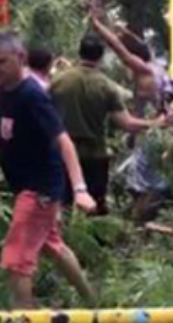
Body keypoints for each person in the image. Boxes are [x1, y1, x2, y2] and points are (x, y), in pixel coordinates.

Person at [0, 31, 99, 308]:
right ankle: (93, 301)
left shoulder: (32, 95)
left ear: (21, 58)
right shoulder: (2, 92)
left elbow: (63, 141)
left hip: (40, 189)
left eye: (2, 62)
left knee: (16, 260)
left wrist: (80, 190)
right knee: (52, 244)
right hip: (27, 184)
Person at [48, 33, 164, 216]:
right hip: (94, 155)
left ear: (80, 53)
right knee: (94, 208)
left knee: (61, 204)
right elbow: (127, 124)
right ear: (101, 57)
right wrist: (155, 123)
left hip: (61, 152)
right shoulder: (107, 86)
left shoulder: (58, 81)